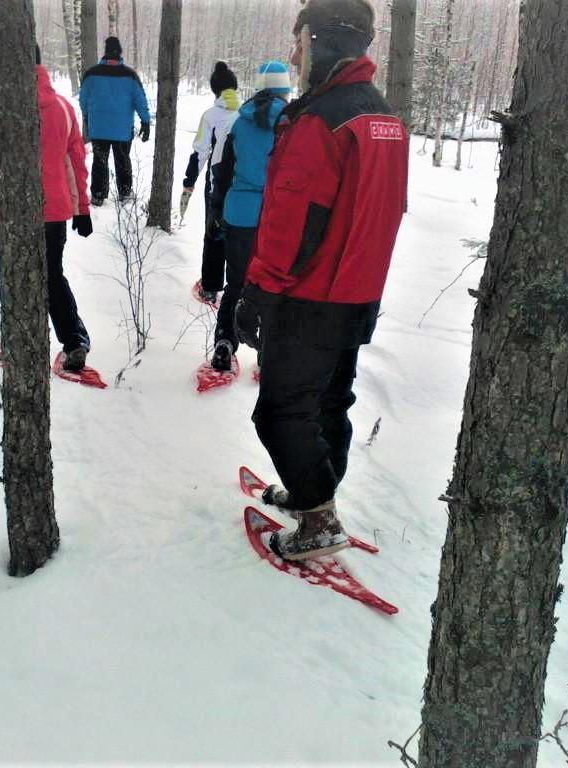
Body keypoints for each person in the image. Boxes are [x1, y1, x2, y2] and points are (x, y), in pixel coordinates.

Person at [234, 0, 409, 560]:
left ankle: (318, 518)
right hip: (359, 290)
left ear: (321, 42)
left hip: (310, 295)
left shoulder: (319, 120)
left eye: (299, 43)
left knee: (282, 410)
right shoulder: (382, 116)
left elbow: (293, 221)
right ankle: (317, 493)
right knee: (329, 402)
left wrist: (257, 291)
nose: (294, 55)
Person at [0, 50, 95, 373]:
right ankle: (75, 342)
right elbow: (77, 164)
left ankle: (16, 343)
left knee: (11, 279)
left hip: (8, 211)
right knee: (52, 275)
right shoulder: (64, 109)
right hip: (54, 210)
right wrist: (82, 208)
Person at [207, 61, 292, 372]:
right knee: (272, 287)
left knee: (236, 283)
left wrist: (217, 209)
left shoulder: (238, 123)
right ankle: (267, 352)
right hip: (276, 219)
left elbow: (223, 171)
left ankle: (224, 345)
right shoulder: (292, 124)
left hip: (239, 215)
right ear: (285, 90)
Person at [183, 61, 240, 304]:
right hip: (240, 183)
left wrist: (189, 180)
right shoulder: (244, 113)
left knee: (214, 232)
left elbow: (200, 152)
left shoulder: (210, 116)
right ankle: (236, 287)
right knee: (237, 234)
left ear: (215, 90)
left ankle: (210, 288)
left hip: (216, 182)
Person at [78, 36, 150, 206]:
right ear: (120, 53)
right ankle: (125, 193)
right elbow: (140, 99)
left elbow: (83, 100)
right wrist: (145, 121)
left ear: (105, 52)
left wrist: (88, 117)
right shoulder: (130, 75)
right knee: (123, 160)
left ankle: (98, 194)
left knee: (99, 161)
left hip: (99, 128)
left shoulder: (91, 74)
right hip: (122, 130)